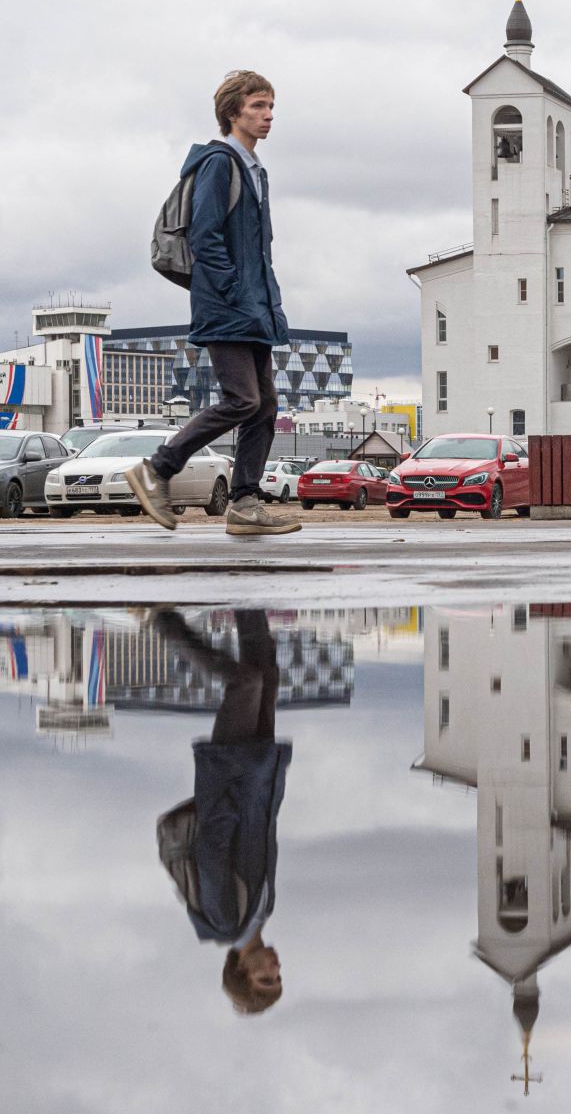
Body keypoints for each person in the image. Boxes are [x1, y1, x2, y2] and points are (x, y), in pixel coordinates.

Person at [129, 71, 298, 537]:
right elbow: (205, 235)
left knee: (264, 406)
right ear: (233, 113)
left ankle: (244, 504)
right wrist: (230, 291)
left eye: (271, 108)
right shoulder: (219, 163)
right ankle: (157, 470)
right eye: (258, 107)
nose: (267, 116)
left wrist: (262, 302)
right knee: (243, 399)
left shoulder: (254, 169)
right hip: (229, 305)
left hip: (254, 307)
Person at [152, 608, 292, 1014]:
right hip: (255, 776)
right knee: (264, 673)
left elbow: (212, 850)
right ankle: (248, 596)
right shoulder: (262, 911)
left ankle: (162, 623)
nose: (276, 968)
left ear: (240, 969)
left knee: (245, 683)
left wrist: (229, 799)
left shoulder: (227, 921)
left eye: (266, 976)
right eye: (279, 977)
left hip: (232, 779)